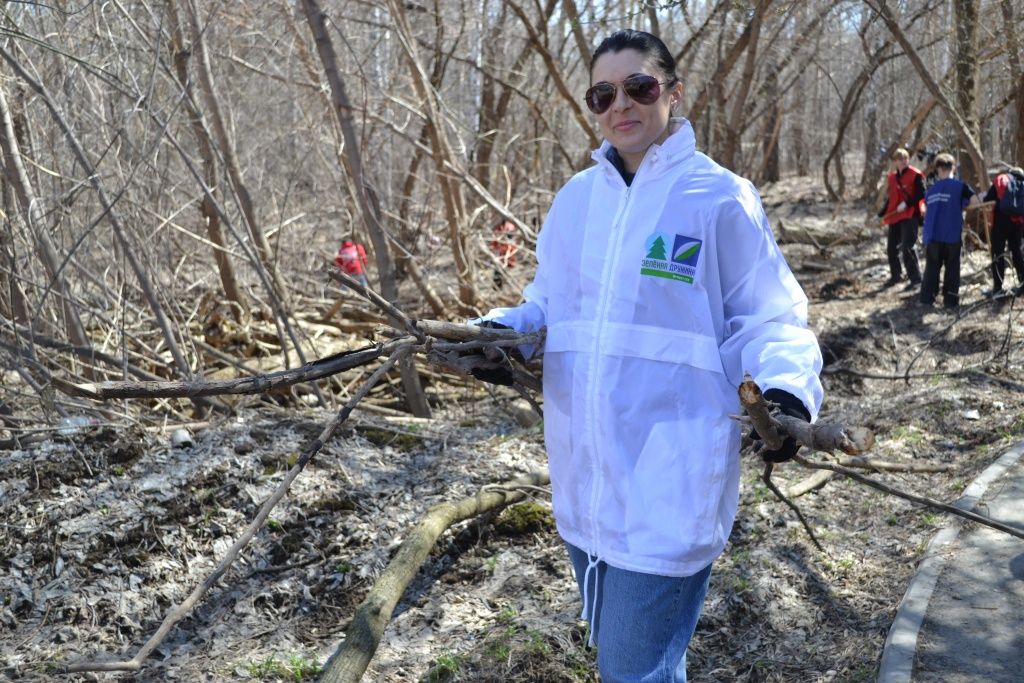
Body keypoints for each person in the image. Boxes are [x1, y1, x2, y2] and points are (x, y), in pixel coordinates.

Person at [471, 29, 823, 683]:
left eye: (639, 86)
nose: (620, 105)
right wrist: (493, 336)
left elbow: (771, 315)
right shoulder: (576, 201)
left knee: (632, 670)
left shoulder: (717, 198)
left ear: (674, 93)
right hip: (585, 490)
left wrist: (787, 395)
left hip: (669, 489)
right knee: (645, 664)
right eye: (603, 94)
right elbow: (547, 305)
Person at [920, 153, 979, 309]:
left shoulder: (931, 191)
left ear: (938, 169)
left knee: (932, 267)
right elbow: (975, 202)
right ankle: (950, 301)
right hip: (951, 234)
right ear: (953, 167)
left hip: (932, 235)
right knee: (952, 267)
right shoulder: (961, 187)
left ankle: (927, 299)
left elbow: (925, 210)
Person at [878, 148, 924, 289]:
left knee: (907, 247)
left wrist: (907, 203)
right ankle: (895, 276)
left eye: (905, 158)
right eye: (900, 159)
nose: (903, 161)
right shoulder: (892, 177)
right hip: (895, 216)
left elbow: (922, 193)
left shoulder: (916, 175)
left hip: (910, 215)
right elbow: (891, 199)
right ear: (895, 161)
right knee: (891, 248)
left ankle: (915, 279)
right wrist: (880, 214)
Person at [981, 165, 1024, 298]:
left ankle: (998, 289)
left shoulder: (1002, 179)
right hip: (1018, 223)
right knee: (1017, 252)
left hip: (1000, 222)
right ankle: (1022, 284)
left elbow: (988, 198)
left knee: (997, 253)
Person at [489, 217, 518, 288]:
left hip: (507, 253)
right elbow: (495, 241)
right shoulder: (499, 227)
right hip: (500, 253)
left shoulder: (510, 227)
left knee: (505, 269)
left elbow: (512, 242)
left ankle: (507, 285)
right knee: (498, 269)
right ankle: (497, 285)